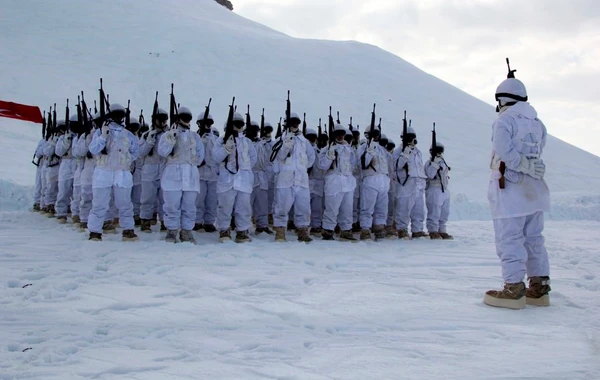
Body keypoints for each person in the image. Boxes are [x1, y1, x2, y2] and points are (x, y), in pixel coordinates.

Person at [484, 76, 551, 310]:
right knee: (534, 238)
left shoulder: (504, 121)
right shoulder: (537, 122)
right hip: (534, 188)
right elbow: (538, 150)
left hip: (510, 187)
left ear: (501, 98)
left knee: (509, 238)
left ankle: (513, 288)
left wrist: (521, 166)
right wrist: (530, 167)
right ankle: (539, 288)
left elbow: (504, 151)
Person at [87, 104, 139, 242]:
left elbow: (135, 153)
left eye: (120, 115)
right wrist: (103, 137)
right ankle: (95, 231)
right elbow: (93, 149)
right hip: (103, 171)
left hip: (122, 173)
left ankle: (128, 229)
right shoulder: (100, 132)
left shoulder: (128, 134)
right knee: (99, 203)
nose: (118, 118)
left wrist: (124, 160)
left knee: (125, 204)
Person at [157, 106, 205, 243]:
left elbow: (201, 156)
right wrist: (170, 140)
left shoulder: (194, 136)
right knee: (171, 205)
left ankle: (186, 231)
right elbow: (162, 152)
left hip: (190, 175)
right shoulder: (168, 135)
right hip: (173, 174)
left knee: (189, 206)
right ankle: (172, 231)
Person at [271, 113, 315, 242]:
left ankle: (302, 230)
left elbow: (311, 157)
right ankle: (280, 231)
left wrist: (303, 167)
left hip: (301, 179)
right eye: (292, 122)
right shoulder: (281, 139)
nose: (295, 125)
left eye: (297, 122)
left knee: (304, 207)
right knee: (282, 206)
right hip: (286, 178)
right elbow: (278, 157)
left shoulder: (304, 141)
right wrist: (286, 146)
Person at [213, 112, 257, 243]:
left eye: (240, 124)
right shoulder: (221, 140)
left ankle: (242, 231)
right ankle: (224, 230)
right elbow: (216, 157)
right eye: (235, 124)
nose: (238, 127)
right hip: (227, 179)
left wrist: (245, 171)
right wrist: (225, 149)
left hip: (243, 180)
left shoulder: (247, 142)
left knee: (243, 207)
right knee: (225, 206)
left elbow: (253, 159)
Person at [318, 125, 357, 241]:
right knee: (332, 208)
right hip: (334, 182)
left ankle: (346, 230)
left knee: (347, 208)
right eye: (338, 134)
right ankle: (328, 230)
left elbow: (354, 165)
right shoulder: (327, 149)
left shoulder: (349, 149)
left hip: (348, 181)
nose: (340, 136)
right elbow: (322, 166)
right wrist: (329, 156)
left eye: (342, 134)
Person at [394, 126, 427, 239]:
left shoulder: (418, 152)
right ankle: (401, 229)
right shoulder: (399, 151)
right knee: (404, 208)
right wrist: (405, 154)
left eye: (412, 137)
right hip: (406, 184)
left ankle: (417, 230)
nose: (411, 140)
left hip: (418, 184)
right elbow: (397, 166)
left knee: (418, 210)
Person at [357, 126, 390, 240]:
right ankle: (365, 228)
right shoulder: (363, 148)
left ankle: (379, 227)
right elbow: (363, 164)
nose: (376, 136)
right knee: (367, 207)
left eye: (377, 134)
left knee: (382, 207)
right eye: (373, 134)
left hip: (383, 181)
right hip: (370, 178)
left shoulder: (381, 149)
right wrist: (369, 151)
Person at [139, 107, 169, 232]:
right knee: (147, 198)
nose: (162, 122)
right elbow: (140, 153)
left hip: (165, 168)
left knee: (165, 198)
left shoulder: (170, 134)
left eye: (164, 119)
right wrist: (149, 142)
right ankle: (145, 221)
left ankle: (165, 221)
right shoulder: (146, 135)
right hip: (149, 169)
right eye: (159, 119)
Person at [194, 112, 218, 232]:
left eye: (209, 123)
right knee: (198, 200)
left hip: (213, 174)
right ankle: (197, 221)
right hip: (200, 173)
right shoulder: (194, 137)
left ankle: (209, 222)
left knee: (212, 200)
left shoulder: (216, 139)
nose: (207, 125)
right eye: (205, 123)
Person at [424, 142, 452, 240]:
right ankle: (433, 230)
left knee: (444, 212)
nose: (439, 153)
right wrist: (435, 163)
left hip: (443, 188)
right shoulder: (429, 163)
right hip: (434, 188)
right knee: (434, 211)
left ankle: (442, 230)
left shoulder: (442, 162)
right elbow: (430, 175)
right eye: (437, 151)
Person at [306, 128, 325, 236]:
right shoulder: (305, 149)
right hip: (308, 180)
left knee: (317, 207)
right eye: (310, 137)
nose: (312, 139)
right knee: (304, 206)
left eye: (314, 137)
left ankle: (316, 225)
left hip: (318, 182)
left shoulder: (319, 150)